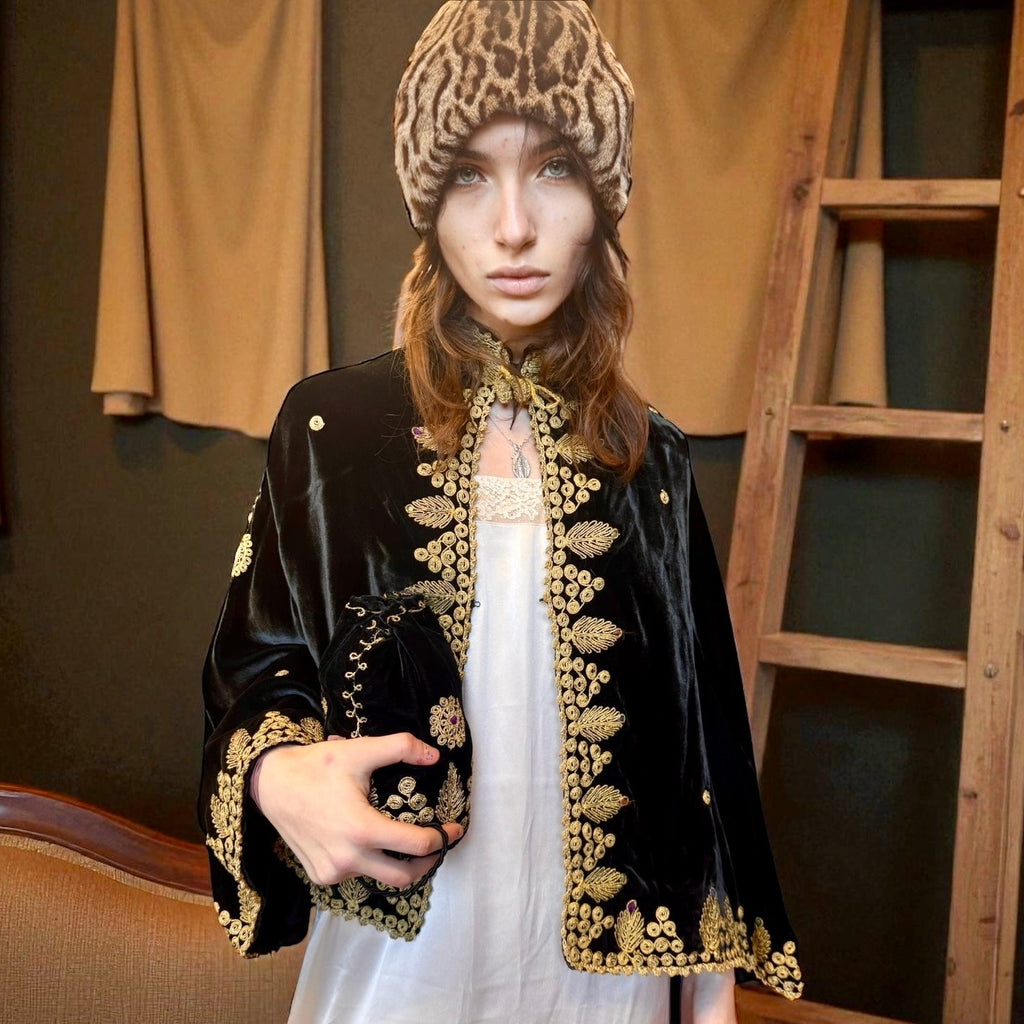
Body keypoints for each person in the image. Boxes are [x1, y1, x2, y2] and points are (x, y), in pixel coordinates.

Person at [199, 3, 803, 1022]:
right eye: (470, 175)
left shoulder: (650, 457)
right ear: (427, 201)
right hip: (402, 969)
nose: (513, 226)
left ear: (603, 198)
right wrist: (276, 776)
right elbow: (251, 671)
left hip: (606, 988)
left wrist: (707, 999)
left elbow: (697, 747)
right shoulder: (330, 428)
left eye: (554, 168)